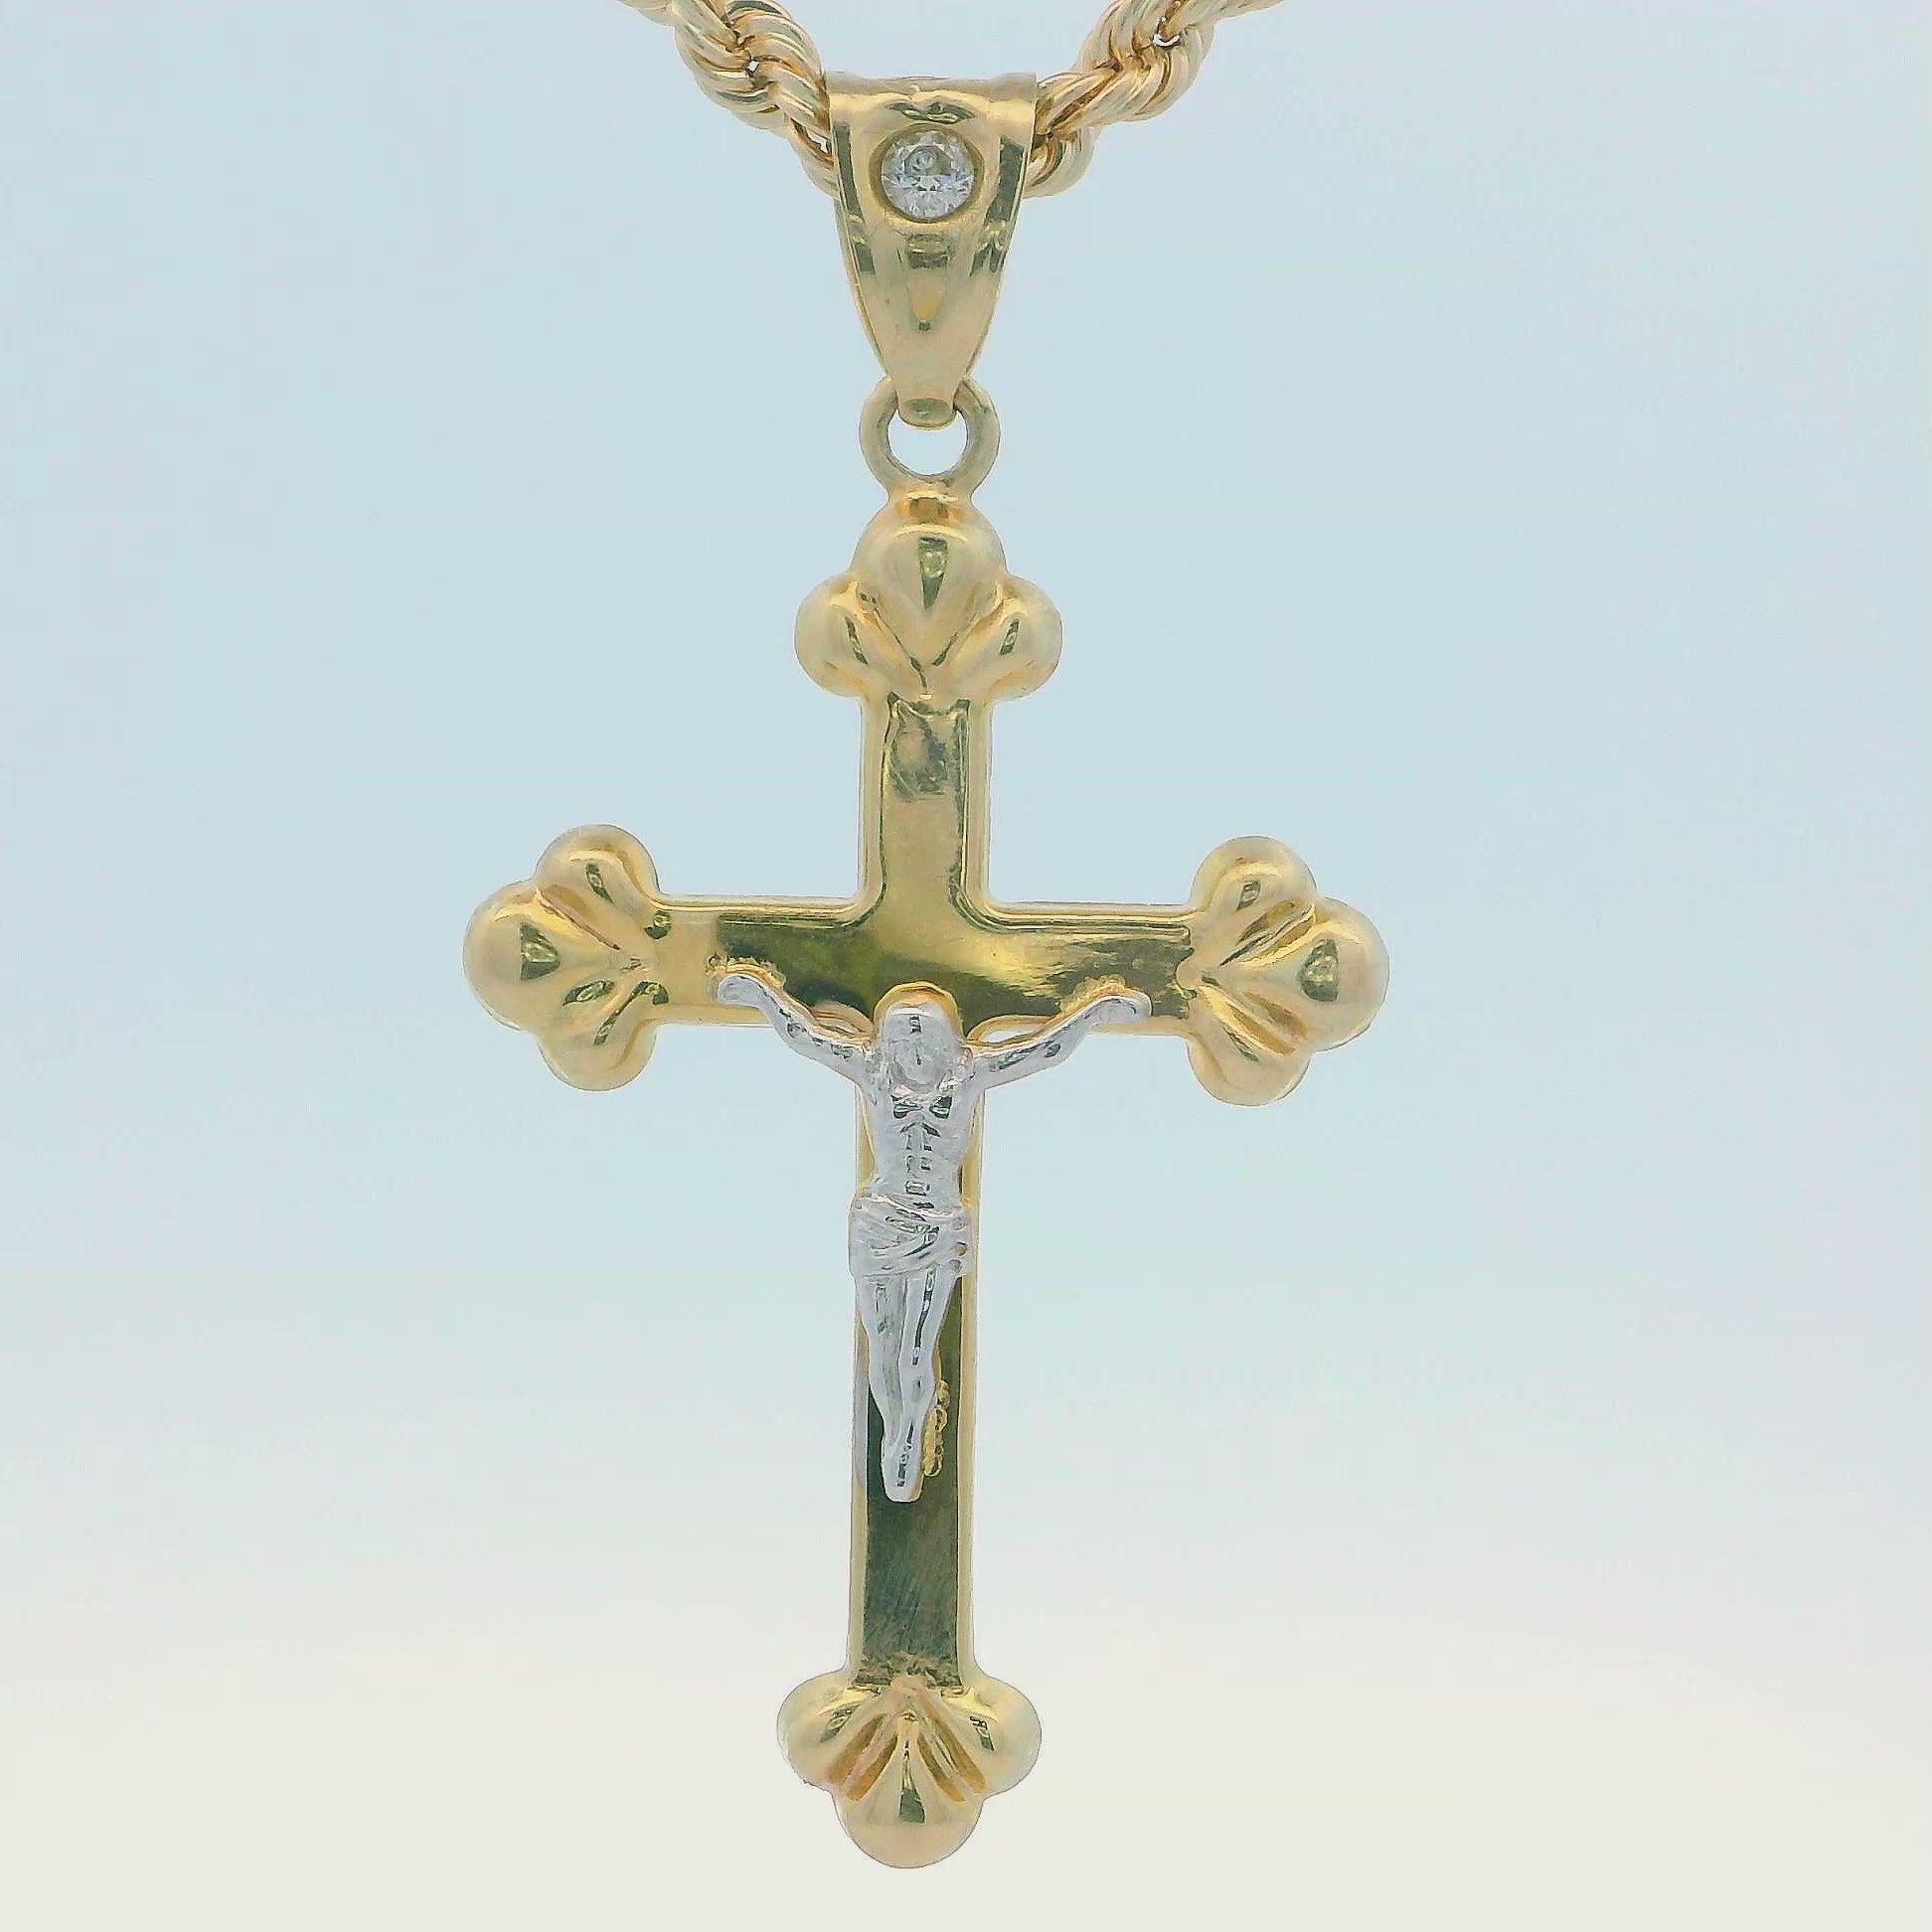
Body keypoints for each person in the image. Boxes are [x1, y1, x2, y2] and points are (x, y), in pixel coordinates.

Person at [715, 965, 1150, 1501]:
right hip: (879, 1218)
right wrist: (761, 994)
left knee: (916, 1350)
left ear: (944, 1040)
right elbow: (806, 1035)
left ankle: (909, 1435)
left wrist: (1094, 1012)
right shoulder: (872, 1070)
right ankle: (895, 1422)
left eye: (923, 1040)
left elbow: (1043, 1050)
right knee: (881, 1343)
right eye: (904, 1040)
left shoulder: (968, 1074)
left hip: (938, 1220)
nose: (914, 1053)